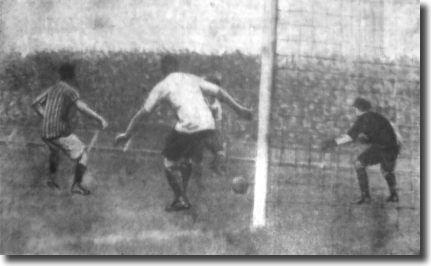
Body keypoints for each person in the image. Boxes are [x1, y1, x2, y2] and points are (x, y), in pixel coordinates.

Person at [114, 55, 252, 211]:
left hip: (189, 127)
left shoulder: (163, 85)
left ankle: (180, 198)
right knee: (187, 159)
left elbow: (143, 114)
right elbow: (219, 92)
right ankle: (208, 162)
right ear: (177, 67)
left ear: (163, 70)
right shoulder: (192, 78)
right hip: (208, 124)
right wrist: (240, 110)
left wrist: (127, 134)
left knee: (169, 163)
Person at [32, 62, 108, 195]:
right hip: (58, 132)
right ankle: (77, 186)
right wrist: (99, 118)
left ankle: (51, 179)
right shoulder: (70, 91)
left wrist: (46, 116)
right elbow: (82, 107)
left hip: (45, 131)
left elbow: (35, 103)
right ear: (71, 75)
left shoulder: (52, 88)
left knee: (55, 151)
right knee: (83, 155)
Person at [321, 97, 401, 204]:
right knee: (384, 170)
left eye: (354, 109)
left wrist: (331, 143)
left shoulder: (364, 118)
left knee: (363, 165)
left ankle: (367, 196)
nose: (354, 111)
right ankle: (392, 195)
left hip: (385, 147)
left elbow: (350, 137)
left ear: (359, 108)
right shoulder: (374, 116)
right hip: (390, 146)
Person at [192, 74, 228, 190]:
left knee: (222, 150)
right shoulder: (197, 100)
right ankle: (197, 182)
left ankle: (215, 165)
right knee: (197, 158)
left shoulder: (216, 104)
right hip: (196, 132)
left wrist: (220, 138)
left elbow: (218, 123)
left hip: (209, 132)